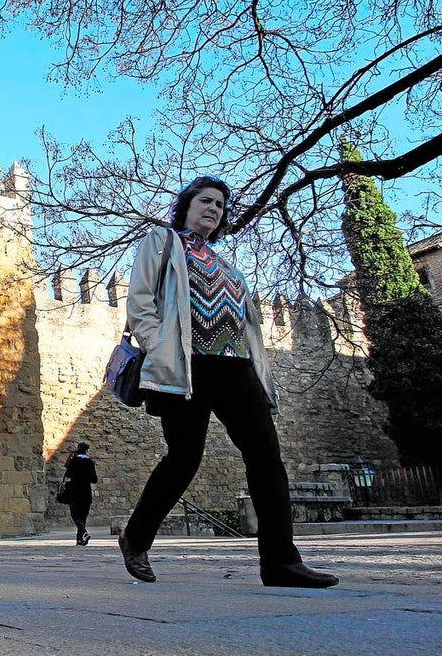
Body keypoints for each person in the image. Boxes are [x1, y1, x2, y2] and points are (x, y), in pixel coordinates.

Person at [118, 176, 338, 589]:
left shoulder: (228, 266)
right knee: (184, 458)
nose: (214, 209)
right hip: (187, 365)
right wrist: (158, 345)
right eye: (206, 200)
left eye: (220, 205)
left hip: (235, 367)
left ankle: (281, 563)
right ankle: (137, 536)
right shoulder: (163, 242)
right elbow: (140, 299)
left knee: (266, 457)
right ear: (186, 205)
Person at [63, 442, 98, 546]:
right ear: (87, 451)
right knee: (83, 516)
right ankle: (80, 538)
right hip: (86, 492)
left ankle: (82, 534)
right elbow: (94, 479)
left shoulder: (74, 461)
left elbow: (68, 474)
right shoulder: (90, 462)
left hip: (74, 491)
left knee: (74, 514)